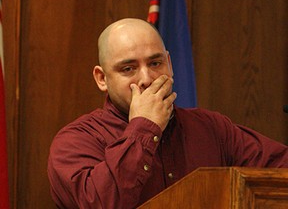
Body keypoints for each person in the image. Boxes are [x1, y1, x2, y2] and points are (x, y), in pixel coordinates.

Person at [47, 18, 288, 209]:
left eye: (155, 63)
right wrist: (145, 127)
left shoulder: (210, 127)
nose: (146, 78)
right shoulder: (74, 141)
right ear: (102, 78)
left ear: (170, 65)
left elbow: (279, 171)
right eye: (128, 68)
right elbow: (102, 204)